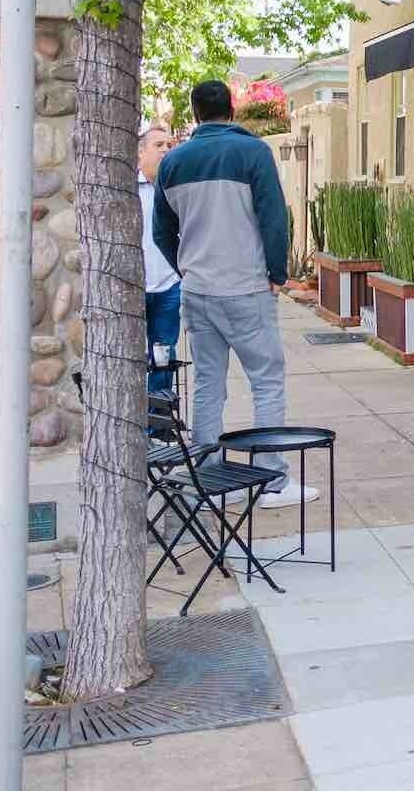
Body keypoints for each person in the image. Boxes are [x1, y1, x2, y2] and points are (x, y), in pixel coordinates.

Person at [152, 80, 314, 508]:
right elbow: (274, 218)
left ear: (195, 113)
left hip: (198, 292)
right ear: (232, 109)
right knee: (267, 381)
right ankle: (271, 483)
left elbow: (162, 232)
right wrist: (276, 273)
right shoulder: (253, 152)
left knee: (208, 385)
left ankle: (209, 485)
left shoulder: (172, 162)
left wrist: (186, 270)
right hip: (246, 288)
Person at [136, 124, 181, 395]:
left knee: (164, 356)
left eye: (169, 145)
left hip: (168, 287)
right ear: (140, 152)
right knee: (133, 356)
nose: (166, 150)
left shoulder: (175, 189)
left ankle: (160, 417)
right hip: (135, 287)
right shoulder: (127, 190)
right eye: (159, 145)